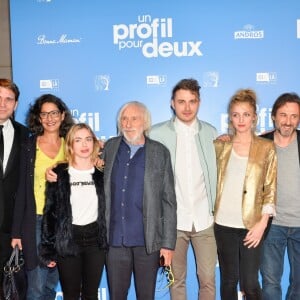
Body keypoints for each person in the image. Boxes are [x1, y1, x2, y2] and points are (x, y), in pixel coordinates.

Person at [149, 78, 217, 300]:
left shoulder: (211, 132)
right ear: (172, 103)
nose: (187, 107)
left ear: (199, 102)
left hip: (204, 219)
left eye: (192, 101)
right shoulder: (156, 134)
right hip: (173, 223)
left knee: (207, 279)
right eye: (181, 101)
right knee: (176, 281)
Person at [103, 101, 177, 300]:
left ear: (145, 122)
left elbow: (169, 201)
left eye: (134, 118)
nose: (128, 123)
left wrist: (168, 244)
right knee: (117, 296)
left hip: (148, 242)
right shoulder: (109, 148)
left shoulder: (160, 152)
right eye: (124, 119)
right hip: (115, 241)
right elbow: (79, 158)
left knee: (146, 296)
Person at [214, 89, 277, 300]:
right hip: (223, 224)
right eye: (236, 114)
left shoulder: (267, 148)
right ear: (230, 118)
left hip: (253, 225)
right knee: (229, 280)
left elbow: (270, 189)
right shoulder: (220, 146)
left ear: (255, 118)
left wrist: (262, 224)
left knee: (250, 283)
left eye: (246, 114)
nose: (241, 120)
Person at [11, 94, 74, 300]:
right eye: (44, 114)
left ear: (62, 115)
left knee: (50, 285)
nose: (50, 118)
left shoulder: (72, 145)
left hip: (64, 223)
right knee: (36, 285)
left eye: (54, 113)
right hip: (35, 221)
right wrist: (16, 232)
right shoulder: (29, 146)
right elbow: (20, 190)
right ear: (38, 118)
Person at [39, 123, 107, 300]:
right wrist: (48, 248)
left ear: (95, 143)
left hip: (95, 242)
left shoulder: (102, 172)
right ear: (70, 144)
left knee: (91, 294)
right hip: (68, 240)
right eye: (78, 140)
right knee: (70, 295)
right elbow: (50, 212)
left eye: (88, 139)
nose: (84, 145)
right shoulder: (58, 173)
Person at [260, 93, 300, 300]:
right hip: (271, 225)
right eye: (283, 115)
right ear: (274, 116)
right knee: (271, 283)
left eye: (294, 116)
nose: (288, 121)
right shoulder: (260, 143)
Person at [0, 79, 29, 299]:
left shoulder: (25, 135)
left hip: (13, 228)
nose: (3, 104)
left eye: (8, 99)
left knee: (12, 289)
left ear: (16, 104)